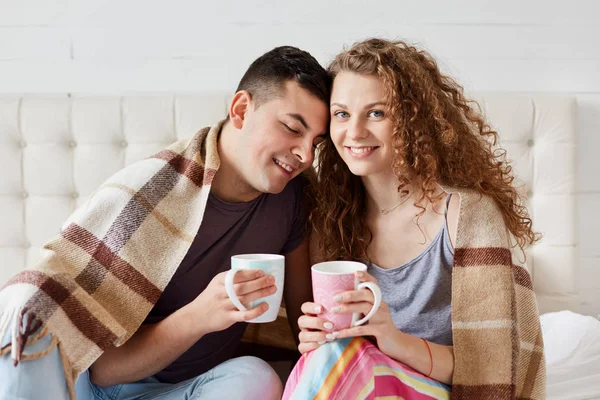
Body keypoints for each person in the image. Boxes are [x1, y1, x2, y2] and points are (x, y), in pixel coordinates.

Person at [0, 45, 330, 400]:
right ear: (241, 110)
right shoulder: (149, 196)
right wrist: (202, 315)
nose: (305, 155)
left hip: (183, 391)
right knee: (30, 305)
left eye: (316, 142)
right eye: (292, 128)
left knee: (257, 377)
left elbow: (304, 327)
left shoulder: (295, 200)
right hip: (91, 387)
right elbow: (103, 371)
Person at [284, 38, 546, 399]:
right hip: (355, 382)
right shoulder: (331, 217)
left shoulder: (466, 216)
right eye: (342, 114)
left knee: (342, 359)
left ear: (413, 119)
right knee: (331, 356)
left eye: (377, 113)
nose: (354, 132)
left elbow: (492, 367)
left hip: (444, 391)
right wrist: (317, 335)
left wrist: (392, 340)